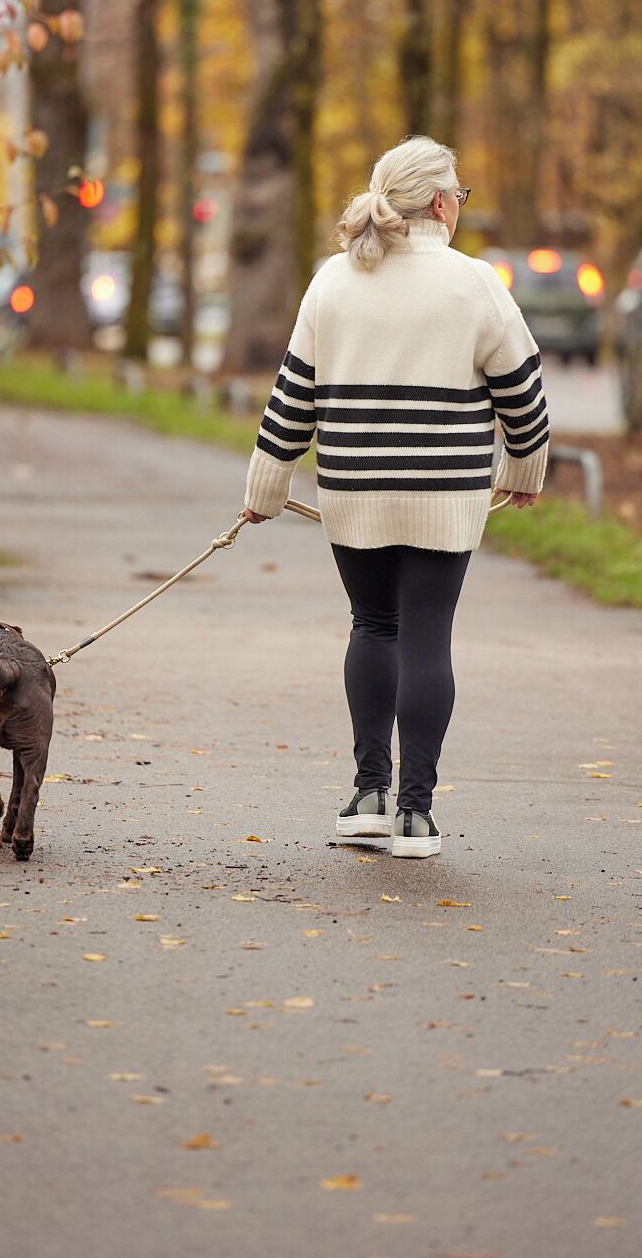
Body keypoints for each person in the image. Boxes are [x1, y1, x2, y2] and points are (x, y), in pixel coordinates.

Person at [242, 135, 549, 858]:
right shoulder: (474, 284)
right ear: (441, 203)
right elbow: (524, 399)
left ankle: (368, 795)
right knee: (426, 637)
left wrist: (265, 486)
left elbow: (293, 398)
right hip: (447, 495)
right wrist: (523, 472)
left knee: (372, 625)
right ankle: (415, 814)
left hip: (356, 490)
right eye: (461, 197)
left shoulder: (332, 281)